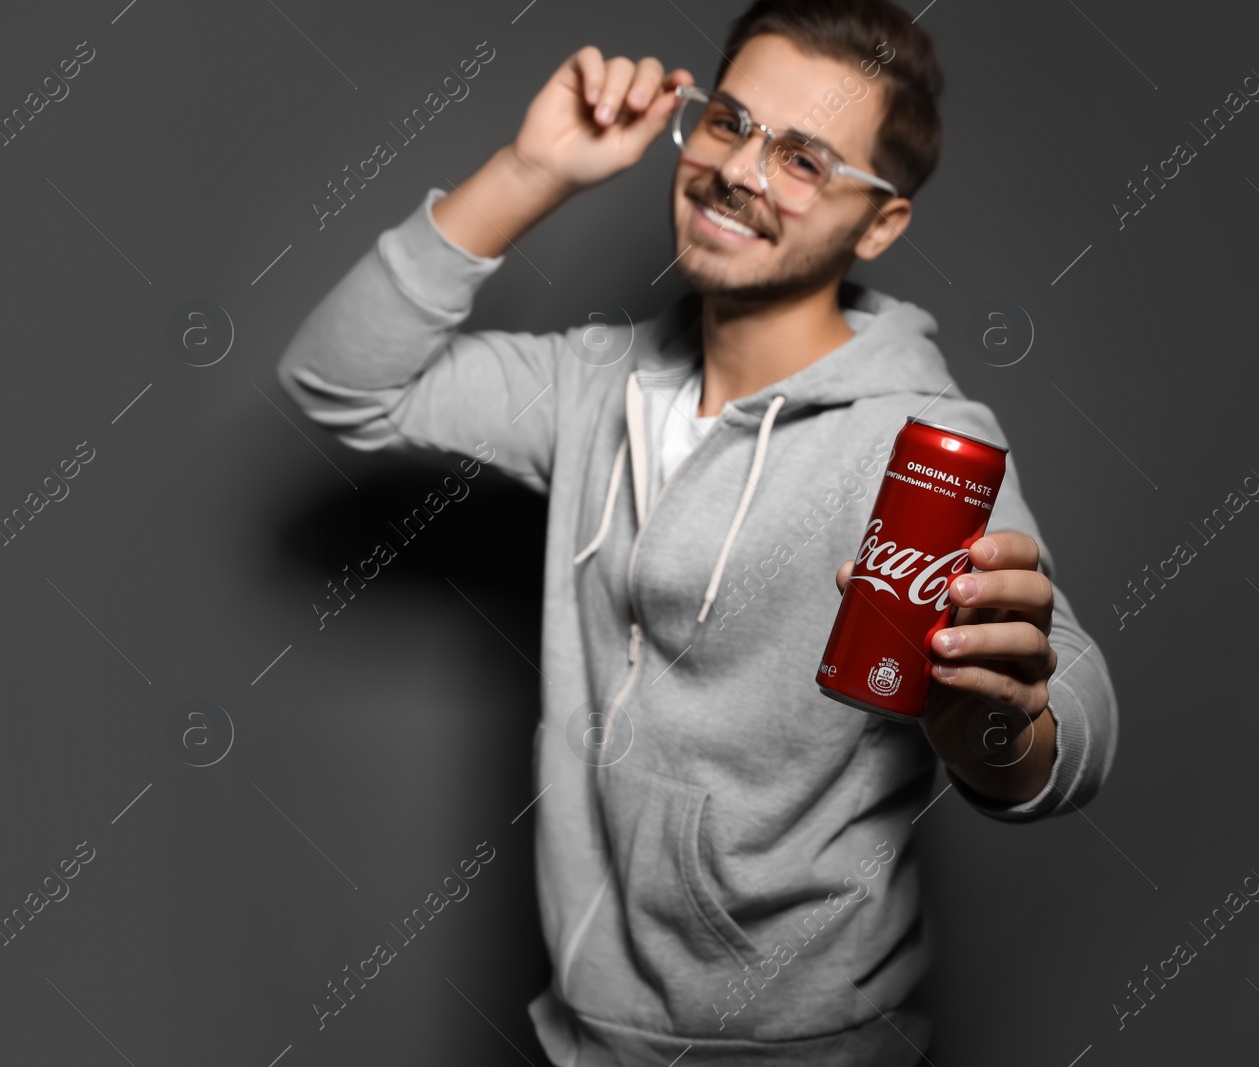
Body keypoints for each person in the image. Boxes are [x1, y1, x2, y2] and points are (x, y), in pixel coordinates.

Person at [276, 0, 1117, 1062]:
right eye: (729, 122)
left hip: (807, 1044)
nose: (740, 170)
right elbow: (337, 383)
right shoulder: (592, 386)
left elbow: (1074, 708)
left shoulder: (913, 441)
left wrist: (999, 733)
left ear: (880, 222)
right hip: (586, 1028)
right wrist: (533, 170)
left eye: (804, 159)